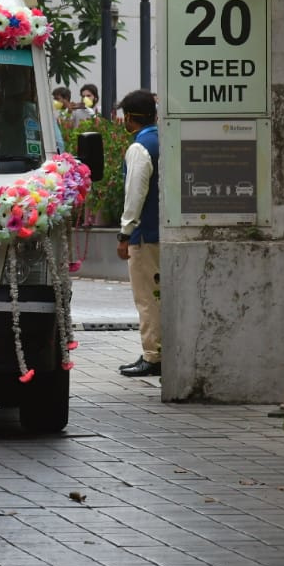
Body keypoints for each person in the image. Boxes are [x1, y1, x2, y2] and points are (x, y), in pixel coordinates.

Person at [114, 89, 162, 377]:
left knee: (147, 297)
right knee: (160, 295)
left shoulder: (139, 147)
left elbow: (135, 194)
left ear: (129, 118)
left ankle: (153, 355)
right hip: (163, 232)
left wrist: (124, 234)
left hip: (145, 236)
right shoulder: (162, 140)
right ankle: (157, 349)